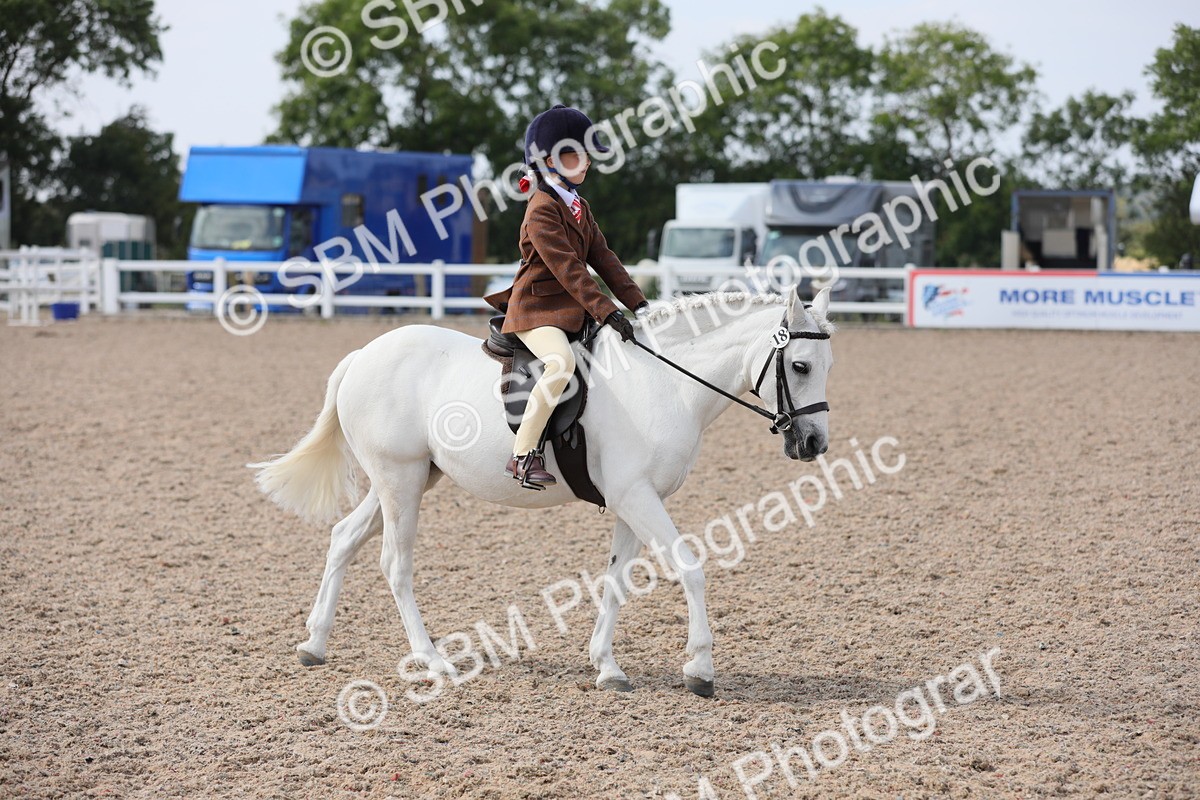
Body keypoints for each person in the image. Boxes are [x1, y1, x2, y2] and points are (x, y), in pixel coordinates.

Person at [484, 104, 648, 488]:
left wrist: (638, 303)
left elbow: (604, 258)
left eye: (588, 155)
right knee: (560, 363)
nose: (587, 162)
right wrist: (607, 310)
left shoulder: (578, 206)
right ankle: (523, 455)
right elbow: (569, 269)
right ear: (550, 161)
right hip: (536, 310)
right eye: (578, 154)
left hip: (571, 310)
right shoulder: (541, 209)